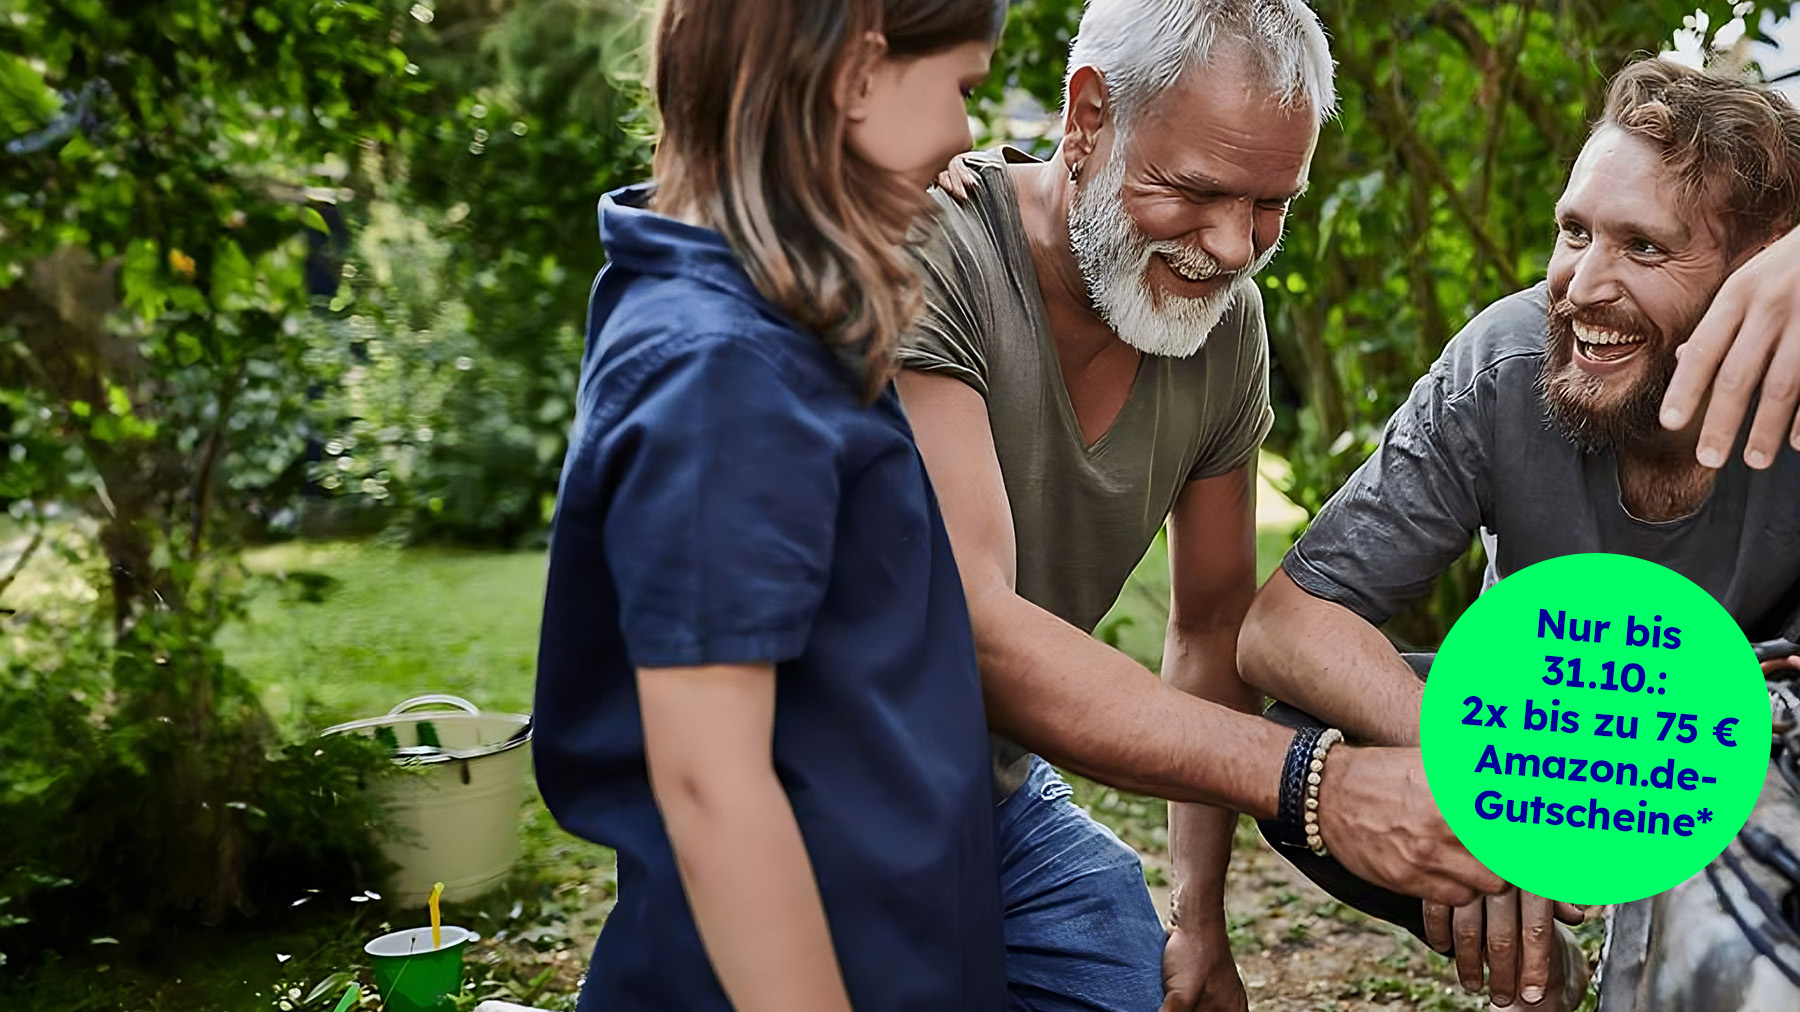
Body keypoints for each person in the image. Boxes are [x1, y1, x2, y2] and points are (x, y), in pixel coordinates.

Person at [900, 2, 1506, 1011]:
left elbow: (1214, 624)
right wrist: (1322, 782)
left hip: (989, 793)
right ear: (1086, 117)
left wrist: (1199, 920)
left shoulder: (1227, 330)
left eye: (1273, 202)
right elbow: (974, 631)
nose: (1231, 246)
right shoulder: (936, 251)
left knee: (1122, 973)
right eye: (1194, 190)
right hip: (836, 782)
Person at [1237, 57, 1800, 1011]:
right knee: (1306, 746)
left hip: (1752, 736)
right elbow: (1282, 628)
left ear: (1759, 276)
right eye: (1575, 231)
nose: (1582, 286)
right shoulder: (1506, 363)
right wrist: (1505, 776)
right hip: (1568, 716)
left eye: (1645, 249)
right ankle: (1541, 955)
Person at [531, 3, 1008, 1011]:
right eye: (963, 87)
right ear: (857, 75)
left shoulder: (770, 330)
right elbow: (712, 782)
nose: (969, 133)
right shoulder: (725, 373)